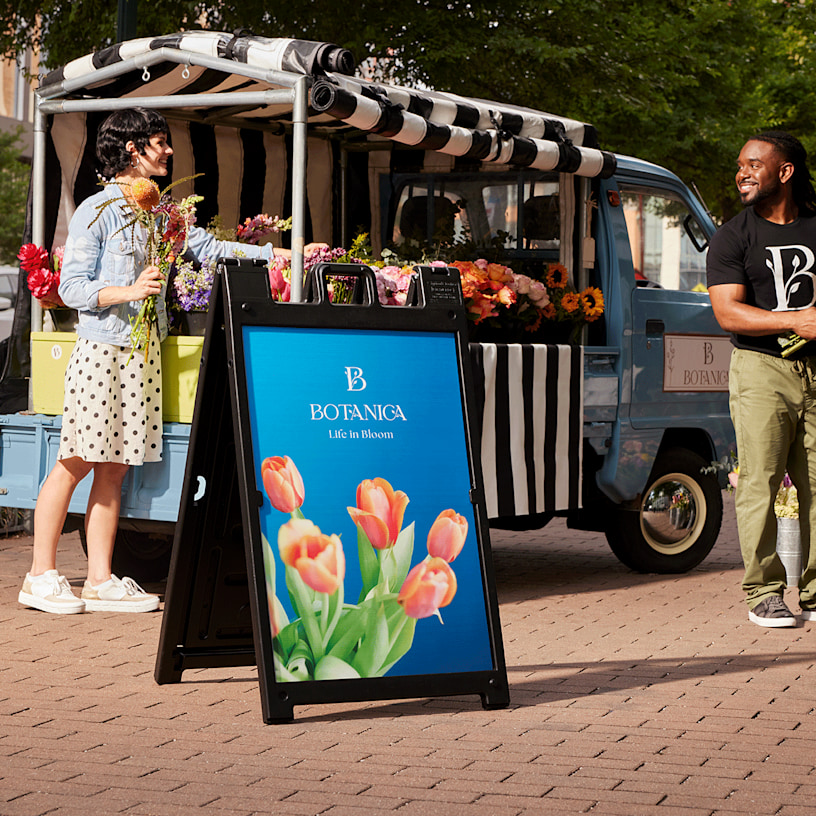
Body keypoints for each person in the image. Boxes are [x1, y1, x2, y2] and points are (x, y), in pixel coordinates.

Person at [18, 107, 325, 614]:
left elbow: (207, 247)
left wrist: (283, 255)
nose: (169, 150)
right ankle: (39, 575)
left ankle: (99, 580)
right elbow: (71, 287)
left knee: (115, 468)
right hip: (102, 351)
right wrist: (127, 290)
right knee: (75, 461)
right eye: (160, 142)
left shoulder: (162, 211)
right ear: (133, 149)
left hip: (142, 354)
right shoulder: (96, 210)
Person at [707, 130, 816, 627]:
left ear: (785, 171)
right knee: (761, 482)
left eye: (754, 164)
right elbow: (727, 312)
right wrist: (796, 321)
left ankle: (814, 592)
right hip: (761, 369)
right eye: (740, 165)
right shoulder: (733, 236)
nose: (742, 174)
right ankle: (764, 592)